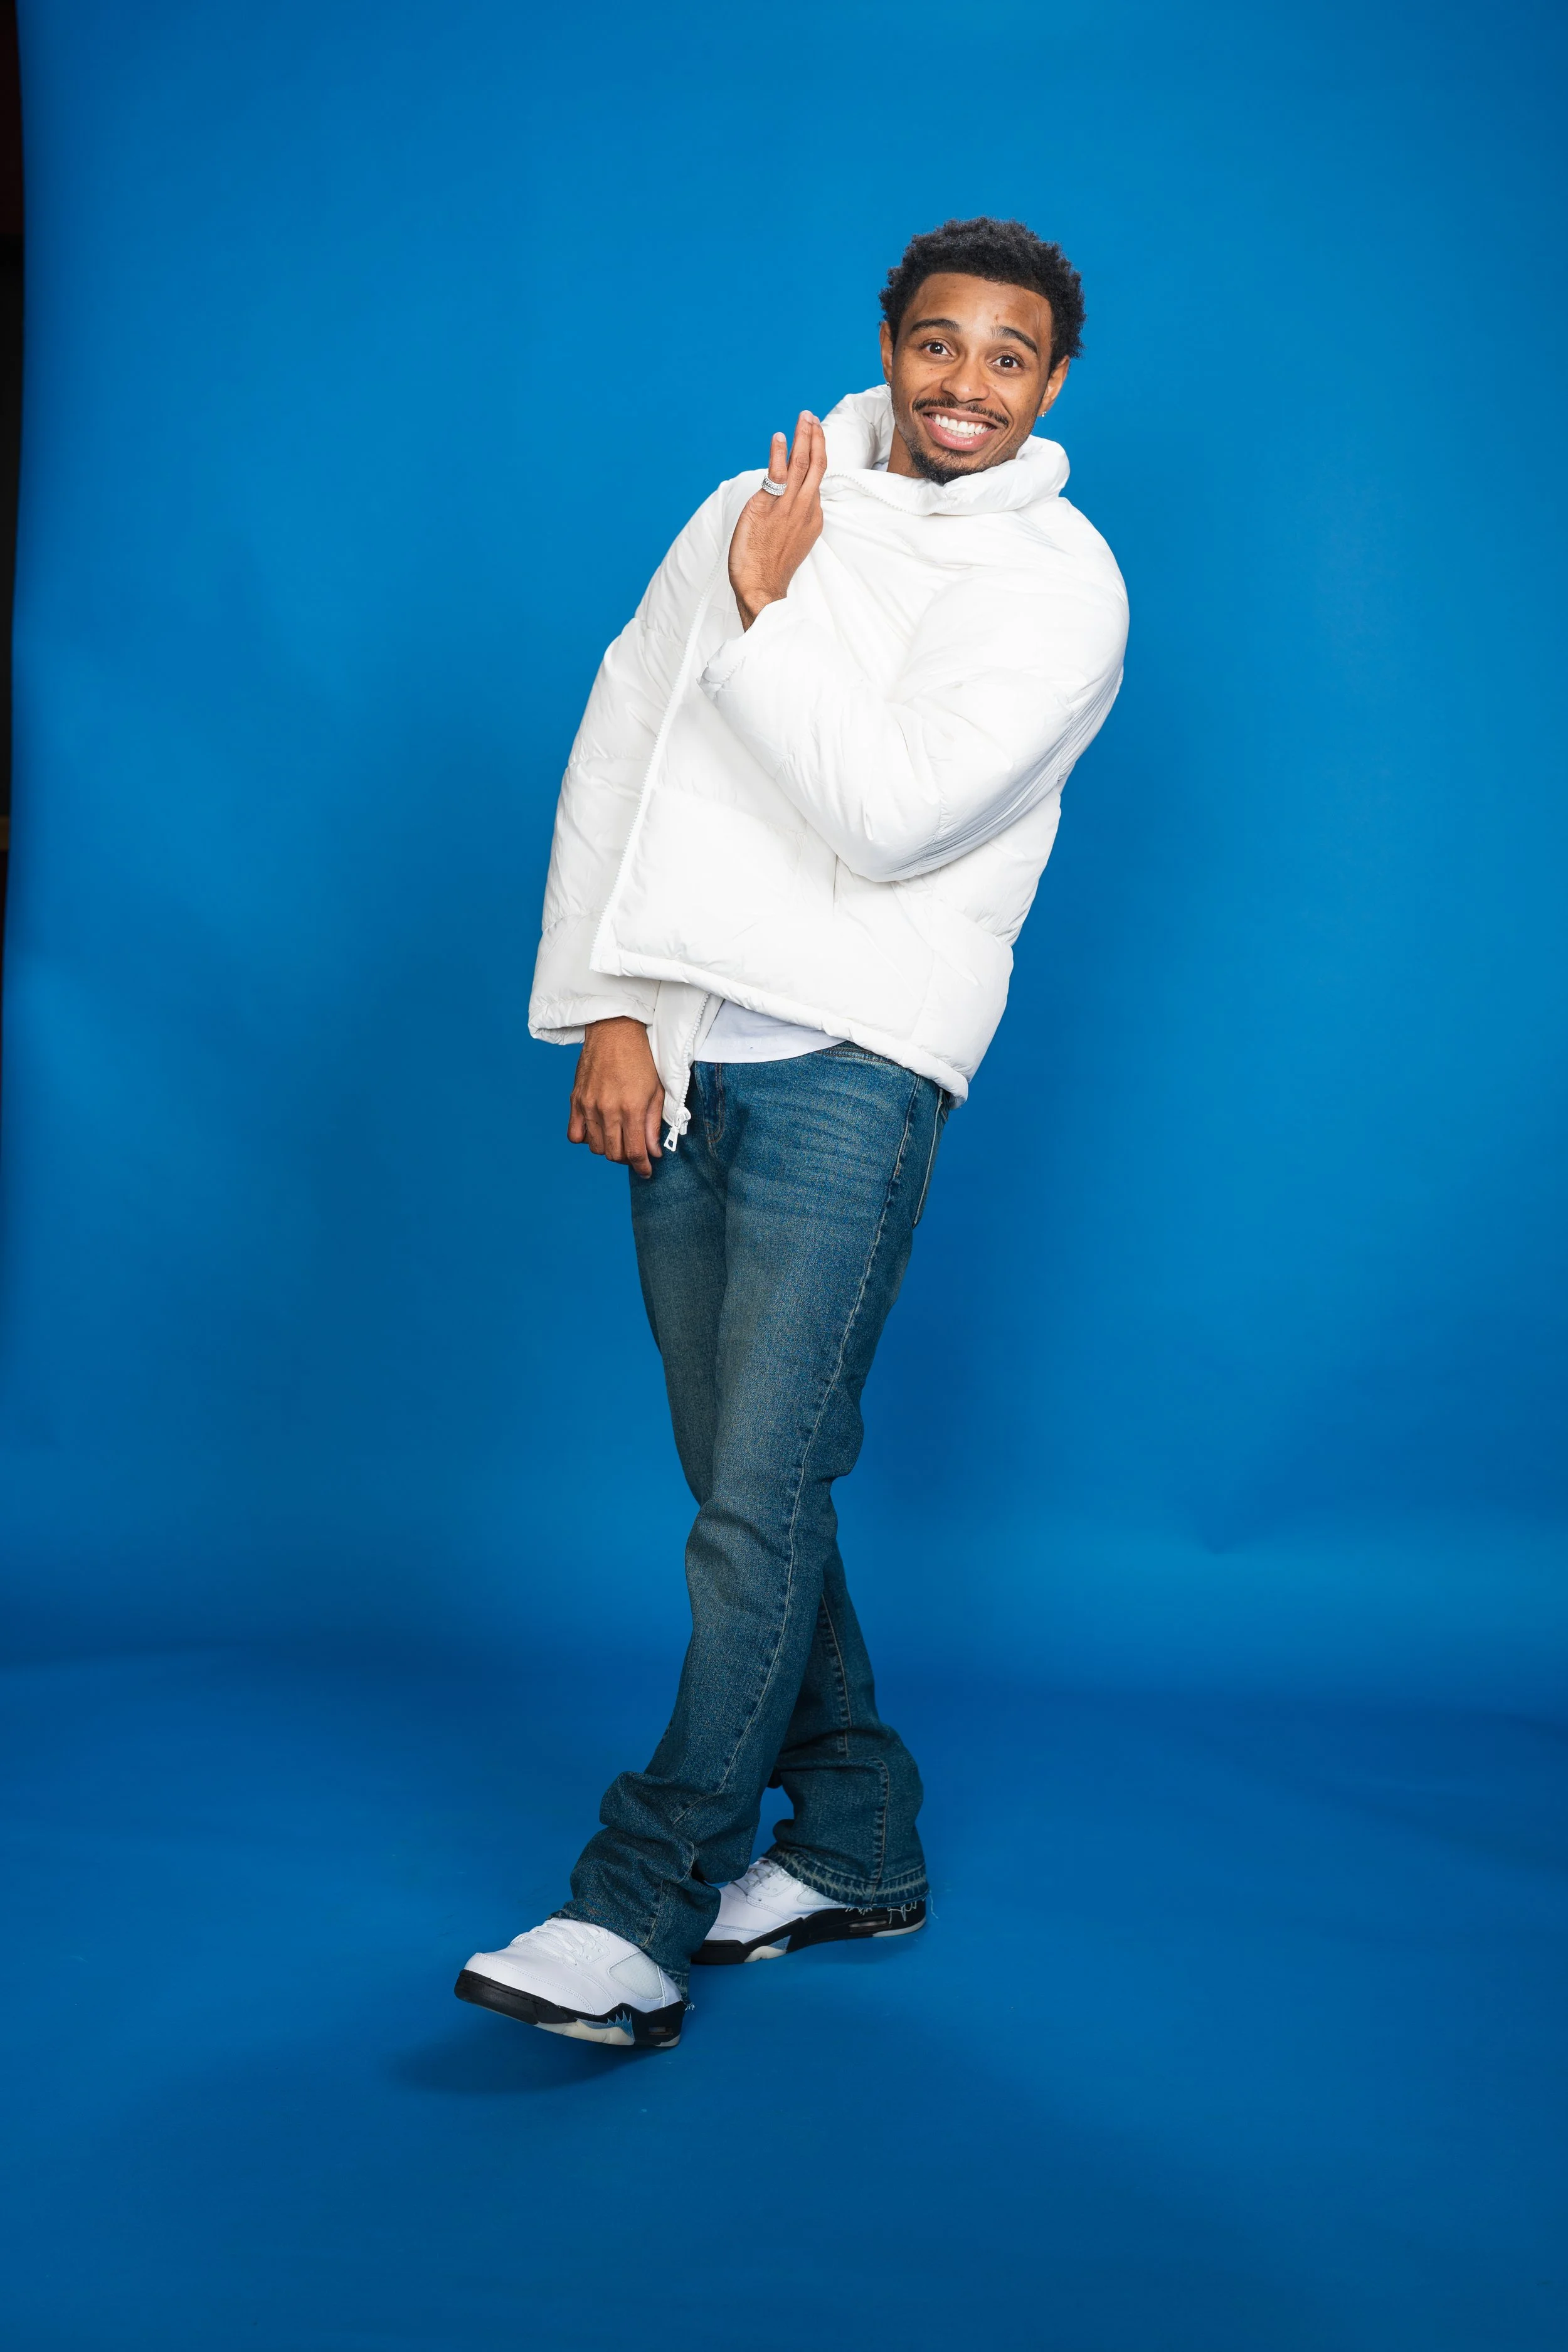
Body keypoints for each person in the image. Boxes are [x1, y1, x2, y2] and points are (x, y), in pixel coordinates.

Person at [455, 216, 1128, 2048]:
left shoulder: (1062, 587)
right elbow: (626, 739)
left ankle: (636, 1900)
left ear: (1050, 382)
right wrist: (610, 1002)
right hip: (677, 1044)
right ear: (890, 346)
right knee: (746, 1487)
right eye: (936, 343)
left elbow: (893, 812)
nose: (964, 383)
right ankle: (855, 1837)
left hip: (856, 1063)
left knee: (752, 1496)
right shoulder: (756, 501)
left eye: (1006, 356)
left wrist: (770, 616)